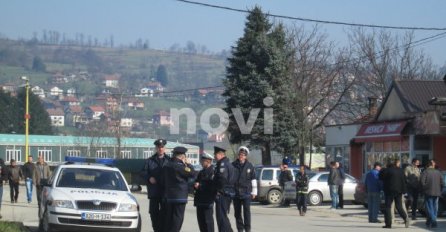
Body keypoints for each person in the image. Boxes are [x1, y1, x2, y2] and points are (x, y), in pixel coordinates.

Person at [163, 146, 197, 232]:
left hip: (170, 196)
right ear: (182, 156)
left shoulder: (167, 164)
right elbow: (192, 173)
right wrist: (188, 164)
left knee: (169, 218)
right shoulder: (181, 166)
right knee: (178, 218)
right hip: (180, 196)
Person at [144, 139, 171, 232]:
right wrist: (149, 177)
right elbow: (143, 172)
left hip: (165, 192)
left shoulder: (169, 160)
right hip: (154, 192)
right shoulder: (149, 161)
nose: (160, 149)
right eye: (159, 147)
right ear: (156, 148)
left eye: (162, 147)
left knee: (165, 213)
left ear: (165, 148)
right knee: (153, 213)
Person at [379, 159, 409, 229]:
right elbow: (404, 181)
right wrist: (404, 190)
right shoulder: (401, 170)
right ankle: (405, 218)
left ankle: (388, 224)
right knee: (399, 206)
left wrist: (383, 169)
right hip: (399, 191)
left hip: (389, 191)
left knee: (388, 207)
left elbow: (380, 177)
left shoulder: (386, 170)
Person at [232, 146, 256, 232]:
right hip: (236, 192)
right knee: (237, 213)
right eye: (240, 155)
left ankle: (247, 229)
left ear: (246, 156)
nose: (241, 156)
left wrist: (254, 192)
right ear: (238, 155)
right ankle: (240, 229)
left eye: (243, 155)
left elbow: (253, 179)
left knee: (247, 212)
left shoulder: (250, 166)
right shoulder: (233, 165)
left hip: (246, 192)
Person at [213, 146, 235, 232]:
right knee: (222, 216)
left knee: (221, 217)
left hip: (223, 193)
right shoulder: (225, 163)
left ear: (220, 154)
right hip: (226, 193)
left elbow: (222, 179)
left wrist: (218, 190)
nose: (214, 156)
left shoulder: (223, 164)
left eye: (215, 154)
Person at [194, 152, 217, 232]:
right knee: (201, 223)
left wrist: (200, 185)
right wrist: (195, 185)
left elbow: (212, 186)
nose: (201, 162)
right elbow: (196, 182)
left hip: (207, 201)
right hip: (200, 201)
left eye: (202, 161)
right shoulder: (201, 172)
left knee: (208, 223)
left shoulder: (213, 172)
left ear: (208, 161)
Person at [420, 159, 444, 228]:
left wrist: (424, 189)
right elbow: (442, 183)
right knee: (434, 207)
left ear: (428, 165)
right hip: (437, 192)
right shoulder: (438, 172)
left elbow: (422, 182)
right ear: (432, 165)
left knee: (429, 208)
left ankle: (433, 220)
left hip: (428, 192)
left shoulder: (425, 172)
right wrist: (440, 191)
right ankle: (431, 221)